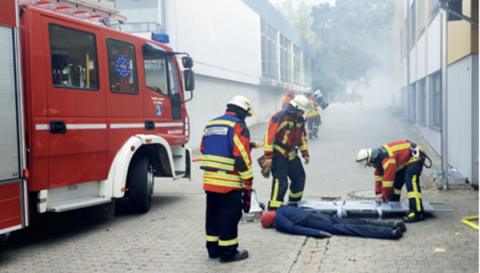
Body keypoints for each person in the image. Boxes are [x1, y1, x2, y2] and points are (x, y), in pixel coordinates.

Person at [200, 95, 256, 263]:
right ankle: (228, 253)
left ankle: (213, 250)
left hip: (210, 181)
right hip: (229, 182)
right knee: (229, 216)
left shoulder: (211, 123)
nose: (246, 118)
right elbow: (241, 155)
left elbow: (204, 148)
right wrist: (248, 180)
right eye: (246, 115)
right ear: (242, 112)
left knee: (213, 215)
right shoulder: (238, 125)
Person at [356, 140, 431, 223]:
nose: (369, 166)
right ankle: (394, 205)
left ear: (372, 159)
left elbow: (388, 181)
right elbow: (378, 176)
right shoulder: (379, 158)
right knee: (397, 183)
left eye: (368, 164)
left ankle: (417, 212)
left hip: (414, 155)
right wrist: (378, 193)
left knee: (410, 180)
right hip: (405, 158)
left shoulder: (387, 159)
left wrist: (384, 196)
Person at [263, 95, 313, 211]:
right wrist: (268, 157)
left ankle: (293, 205)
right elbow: (269, 137)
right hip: (279, 153)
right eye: (301, 111)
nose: (303, 113)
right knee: (281, 182)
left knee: (299, 178)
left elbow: (302, 137)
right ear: (296, 108)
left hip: (292, 154)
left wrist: (305, 153)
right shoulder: (280, 117)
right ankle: (274, 209)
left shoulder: (299, 120)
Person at [260, 205, 406, 240]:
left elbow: (295, 229)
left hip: (315, 223)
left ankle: (390, 233)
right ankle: (392, 224)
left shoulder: (279, 221)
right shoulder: (282, 208)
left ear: (271, 223)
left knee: (351, 229)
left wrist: (318, 233)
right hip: (318, 216)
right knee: (353, 221)